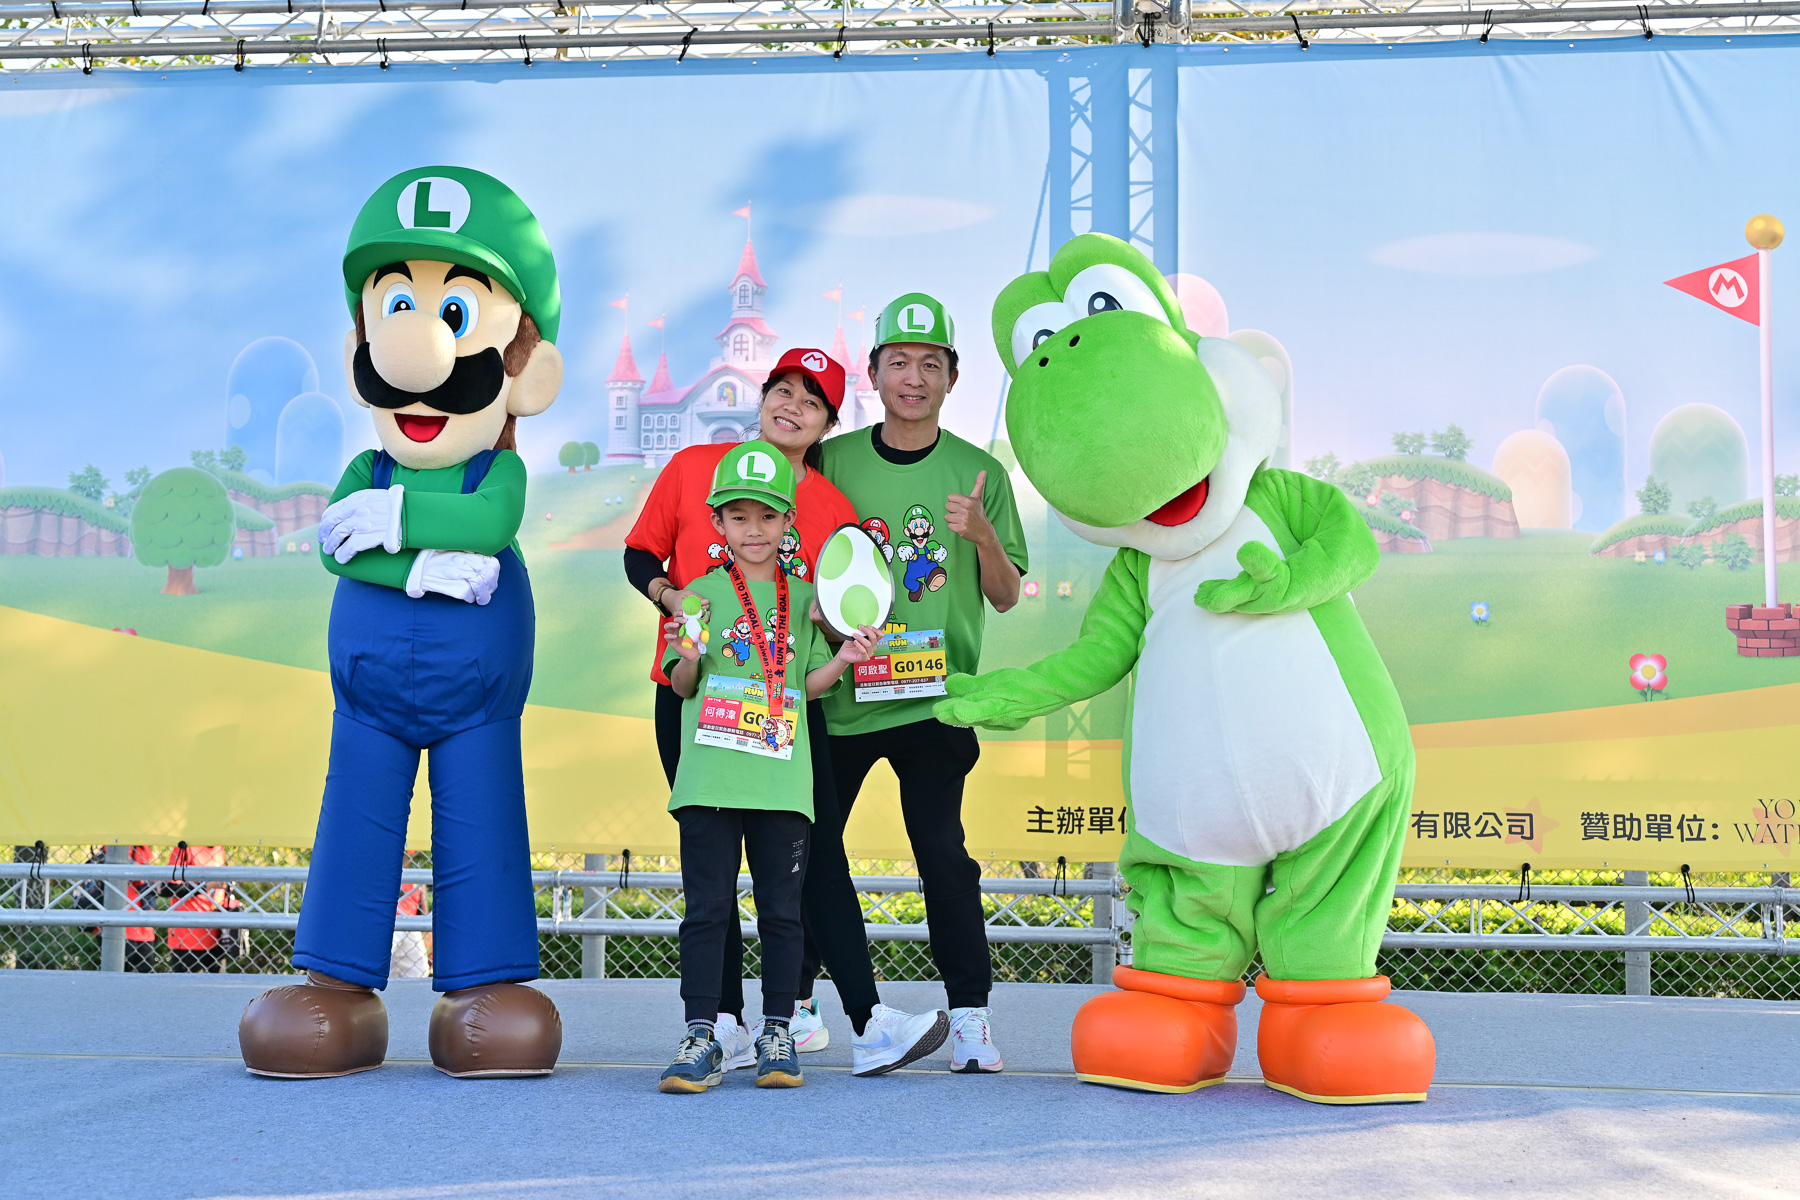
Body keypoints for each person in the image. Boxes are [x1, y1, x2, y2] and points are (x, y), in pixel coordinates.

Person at [623, 349, 949, 1075]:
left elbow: (840, 608)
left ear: (828, 423)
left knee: (814, 858)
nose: (791, 406)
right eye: (782, 390)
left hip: (789, 708)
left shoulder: (830, 507)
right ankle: (723, 1024)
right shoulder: (692, 469)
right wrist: (673, 601)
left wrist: (840, 635)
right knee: (712, 870)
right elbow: (640, 554)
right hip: (695, 702)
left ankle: (867, 1023)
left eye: (811, 400)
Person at [813, 293, 1028, 1074]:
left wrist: (984, 537)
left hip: (934, 698)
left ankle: (970, 1017)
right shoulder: (830, 462)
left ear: (952, 378)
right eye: (898, 362)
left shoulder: (980, 472)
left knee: (943, 855)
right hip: (843, 693)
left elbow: (1005, 595)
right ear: (872, 374)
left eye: (929, 364)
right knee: (810, 852)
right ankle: (797, 1007)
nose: (913, 377)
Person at [655, 441, 880, 1094]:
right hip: (710, 780)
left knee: (783, 912)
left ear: (788, 523)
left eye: (767, 517)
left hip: (782, 782)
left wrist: (845, 659)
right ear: (717, 523)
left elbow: (803, 688)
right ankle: (701, 1033)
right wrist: (687, 651)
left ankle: (777, 1032)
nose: (754, 530)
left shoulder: (807, 599)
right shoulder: (696, 597)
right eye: (739, 517)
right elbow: (682, 685)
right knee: (706, 910)